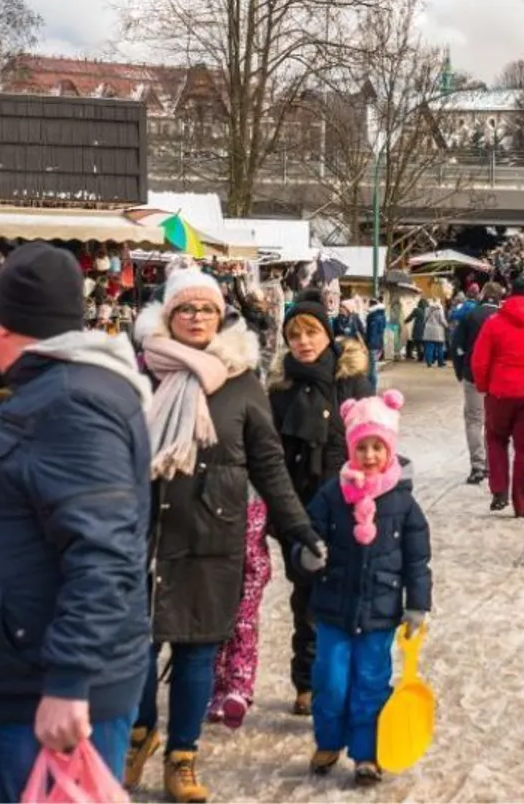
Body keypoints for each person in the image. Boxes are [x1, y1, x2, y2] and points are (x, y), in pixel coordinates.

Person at [0, 242, 151, 804]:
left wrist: (68, 680)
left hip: (47, 691)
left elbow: (104, 551)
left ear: (1, 325)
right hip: (27, 677)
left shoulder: (70, 402)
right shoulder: (62, 391)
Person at [128, 269, 325, 804]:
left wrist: (299, 528)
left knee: (196, 650)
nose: (196, 318)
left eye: (206, 310)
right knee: (135, 648)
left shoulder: (241, 383)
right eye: (185, 310)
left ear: (222, 317)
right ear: (167, 316)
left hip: (212, 534)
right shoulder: (139, 374)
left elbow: (269, 464)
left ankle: (182, 756)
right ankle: (139, 734)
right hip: (143, 532)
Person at [296, 390, 432, 787]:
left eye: (378, 447)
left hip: (381, 612)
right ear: (351, 448)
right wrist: (306, 555)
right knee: (331, 681)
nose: (370, 455)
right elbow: (307, 534)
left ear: (390, 449)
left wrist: (417, 606)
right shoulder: (331, 494)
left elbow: (417, 561)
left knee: (370, 684)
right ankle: (328, 741)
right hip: (333, 610)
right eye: (362, 447)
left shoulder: (403, 504)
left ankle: (367, 753)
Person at [268, 290, 373, 721]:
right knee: (306, 598)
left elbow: (373, 443)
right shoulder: (279, 387)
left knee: (346, 598)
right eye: (295, 335)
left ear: (327, 334)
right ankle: (308, 682)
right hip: (298, 507)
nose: (303, 342)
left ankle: (344, 682)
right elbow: (269, 451)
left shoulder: (351, 381)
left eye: (311, 332)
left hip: (346, 507)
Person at [472, 278, 524, 518]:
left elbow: (480, 359)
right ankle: (522, 504)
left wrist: (484, 386)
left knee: (496, 439)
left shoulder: (494, 323)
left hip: (501, 391)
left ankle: (499, 489)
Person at [451, 282, 505, 486]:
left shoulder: (470, 316)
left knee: (474, 420)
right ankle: (492, 463)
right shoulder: (503, 317)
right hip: (498, 376)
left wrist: (460, 370)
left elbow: (457, 344)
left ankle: (478, 465)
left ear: (482, 294)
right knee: (493, 421)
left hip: (473, 374)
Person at [420, 298, 450, 368]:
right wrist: (447, 326)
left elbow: (424, 320)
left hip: (428, 330)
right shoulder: (440, 309)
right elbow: (442, 320)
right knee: (440, 347)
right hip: (438, 331)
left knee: (429, 347)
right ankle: (440, 362)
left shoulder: (427, 309)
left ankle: (429, 363)